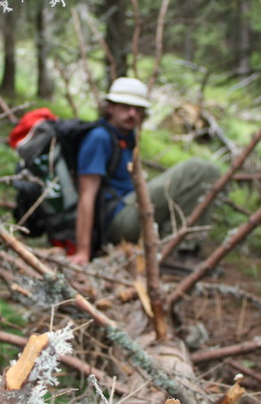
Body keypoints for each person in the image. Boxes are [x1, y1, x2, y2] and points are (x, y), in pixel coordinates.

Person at [69, 77, 221, 265]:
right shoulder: (99, 138)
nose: (132, 113)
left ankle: (176, 249)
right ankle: (176, 253)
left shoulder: (127, 138)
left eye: (138, 109)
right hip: (116, 220)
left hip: (128, 211)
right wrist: (83, 251)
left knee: (205, 173)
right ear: (110, 107)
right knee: (198, 168)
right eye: (125, 107)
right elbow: (86, 194)